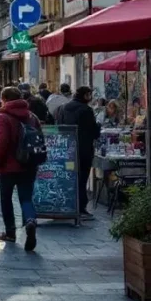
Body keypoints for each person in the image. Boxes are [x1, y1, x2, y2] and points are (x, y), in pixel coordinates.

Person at [0, 86, 40, 252]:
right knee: (26, 198)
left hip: (8, 166)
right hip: (28, 164)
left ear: (4, 99)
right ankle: (30, 220)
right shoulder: (31, 116)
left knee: (6, 199)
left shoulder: (3, 116)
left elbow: (2, 142)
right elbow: (40, 138)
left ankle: (10, 232)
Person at [59, 86, 101, 220]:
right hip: (83, 150)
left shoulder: (64, 107)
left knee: (69, 176)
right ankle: (81, 207)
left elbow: (59, 126)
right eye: (89, 94)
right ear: (85, 95)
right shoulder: (86, 110)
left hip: (67, 149)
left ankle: (67, 204)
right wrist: (98, 128)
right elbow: (93, 132)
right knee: (82, 178)